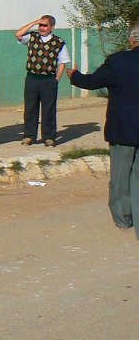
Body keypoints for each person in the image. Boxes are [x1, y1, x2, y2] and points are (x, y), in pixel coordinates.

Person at [68, 24, 139, 238]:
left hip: (123, 129)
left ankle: (123, 218)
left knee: (120, 175)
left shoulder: (118, 61)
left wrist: (74, 75)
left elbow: (91, 82)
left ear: (131, 40)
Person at [15, 15, 71, 146]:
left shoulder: (59, 42)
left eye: (45, 25)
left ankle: (49, 137)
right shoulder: (32, 37)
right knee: (30, 108)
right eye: (40, 25)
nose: (42, 28)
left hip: (48, 79)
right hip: (32, 78)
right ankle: (29, 136)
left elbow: (63, 62)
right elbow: (18, 34)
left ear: (52, 27)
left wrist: (56, 79)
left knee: (48, 109)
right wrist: (33, 22)